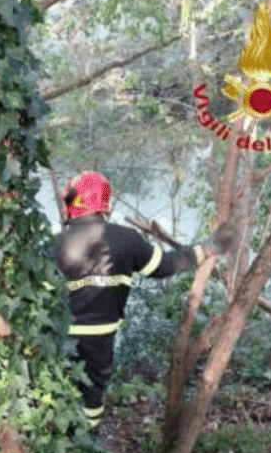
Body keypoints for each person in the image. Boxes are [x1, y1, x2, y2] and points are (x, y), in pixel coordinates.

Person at [54, 170, 235, 429]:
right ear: (105, 204)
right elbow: (165, 266)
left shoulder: (56, 242)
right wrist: (208, 247)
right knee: (92, 394)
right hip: (101, 336)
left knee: (58, 388)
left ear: (73, 202)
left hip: (59, 335)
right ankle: (86, 442)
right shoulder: (127, 239)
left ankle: (59, 440)